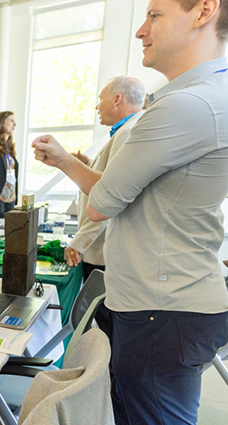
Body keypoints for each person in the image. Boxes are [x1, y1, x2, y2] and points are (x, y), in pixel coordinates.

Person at [32, 1, 228, 425]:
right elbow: (126, 193)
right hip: (167, 300)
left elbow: (102, 203)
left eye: (154, 15)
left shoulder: (187, 105)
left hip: (162, 308)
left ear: (203, 11)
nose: (141, 30)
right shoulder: (205, 96)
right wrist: (66, 161)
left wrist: (74, 172)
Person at [64, 77, 145, 281]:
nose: (96, 106)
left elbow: (110, 195)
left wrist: (79, 242)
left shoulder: (128, 132)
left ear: (117, 99)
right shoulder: (124, 131)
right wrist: (89, 162)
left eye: (100, 99)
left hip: (102, 250)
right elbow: (113, 174)